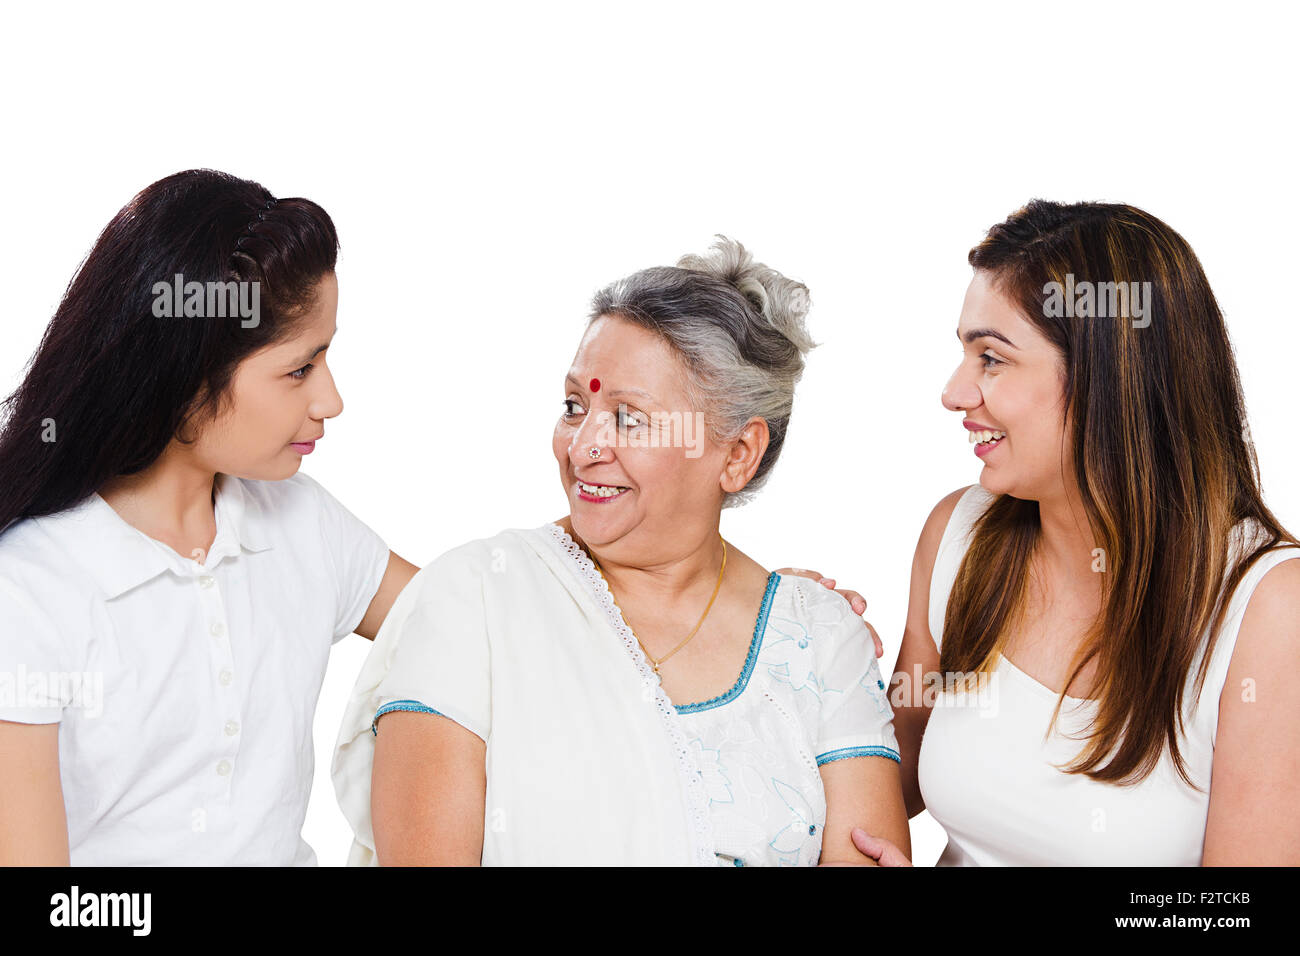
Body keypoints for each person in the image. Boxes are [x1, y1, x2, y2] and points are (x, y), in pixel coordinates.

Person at [332, 238, 910, 865]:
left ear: (738, 454)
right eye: (575, 406)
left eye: (629, 418)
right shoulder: (474, 598)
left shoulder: (819, 637)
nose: (582, 448)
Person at [853, 200, 1300, 866]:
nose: (954, 392)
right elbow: (891, 771)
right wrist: (805, 653)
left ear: (1108, 377)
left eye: (993, 359)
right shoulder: (958, 536)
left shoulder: (1270, 613)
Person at [0, 169, 419, 864]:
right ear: (185, 378)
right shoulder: (30, 590)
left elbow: (469, 623)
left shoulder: (300, 521)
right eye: (299, 369)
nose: (331, 400)